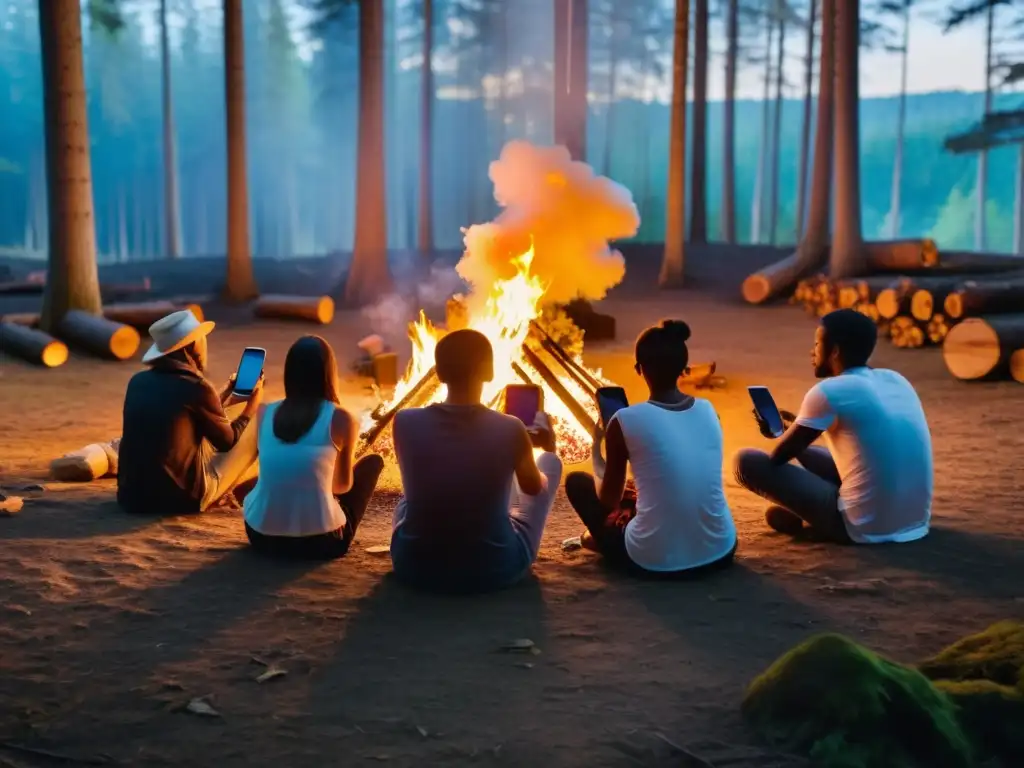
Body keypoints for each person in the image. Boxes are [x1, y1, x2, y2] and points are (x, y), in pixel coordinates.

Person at [733, 308, 933, 544]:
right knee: (841, 456)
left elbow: (778, 458)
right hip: (915, 521)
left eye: (817, 344)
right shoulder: (896, 379)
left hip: (866, 528)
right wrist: (792, 430)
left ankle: (815, 520)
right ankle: (809, 513)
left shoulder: (828, 391)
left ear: (835, 351)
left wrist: (780, 434)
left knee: (746, 461)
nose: (812, 352)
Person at [390, 329, 562, 593]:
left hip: (413, 566)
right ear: (489, 371)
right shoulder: (510, 427)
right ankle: (541, 467)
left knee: (407, 500)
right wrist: (544, 448)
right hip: (494, 569)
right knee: (549, 466)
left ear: (438, 372)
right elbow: (532, 488)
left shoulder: (404, 421)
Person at [565, 319, 737, 577]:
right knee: (643, 490)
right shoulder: (709, 412)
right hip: (721, 550)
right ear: (684, 370)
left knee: (577, 482)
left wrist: (598, 443)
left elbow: (608, 499)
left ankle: (597, 540)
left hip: (653, 560)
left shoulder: (624, 420)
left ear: (639, 369)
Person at [243, 336, 384, 559]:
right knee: (372, 463)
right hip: (320, 543)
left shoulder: (264, 412)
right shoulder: (342, 418)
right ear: (329, 373)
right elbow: (341, 487)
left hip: (261, 537)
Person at [117, 310, 262, 515]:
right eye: (202, 339)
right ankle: (235, 492)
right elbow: (226, 442)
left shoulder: (137, 382)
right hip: (180, 501)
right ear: (192, 346)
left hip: (131, 498)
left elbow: (188, 413)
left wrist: (227, 390)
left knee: (214, 427)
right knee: (258, 420)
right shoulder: (197, 387)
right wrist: (253, 404)